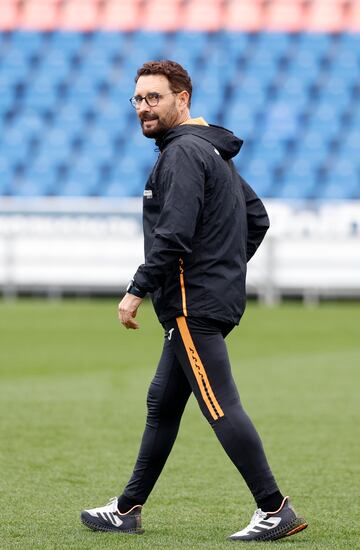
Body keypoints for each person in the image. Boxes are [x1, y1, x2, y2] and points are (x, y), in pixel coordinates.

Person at [80, 60, 308, 542]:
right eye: (138, 99)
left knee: (219, 404)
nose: (144, 107)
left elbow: (175, 233)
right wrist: (224, 270)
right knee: (162, 404)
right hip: (205, 298)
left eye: (154, 98)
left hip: (191, 304)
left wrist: (137, 289)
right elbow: (256, 218)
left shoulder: (183, 152)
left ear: (182, 99)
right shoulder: (210, 151)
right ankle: (127, 508)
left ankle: (274, 508)